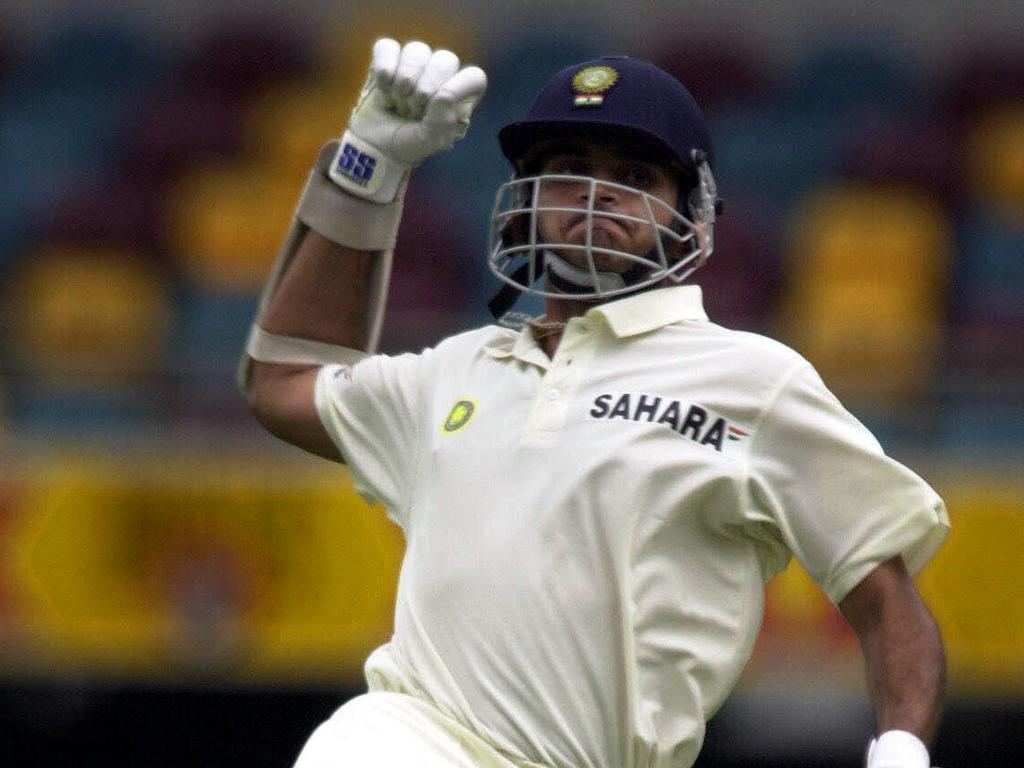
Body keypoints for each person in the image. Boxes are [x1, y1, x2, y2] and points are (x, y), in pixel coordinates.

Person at [241, 37, 950, 768]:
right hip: (411, 735)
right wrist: (368, 167)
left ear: (695, 214)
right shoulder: (454, 372)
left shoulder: (755, 382)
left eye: (633, 175)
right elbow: (286, 379)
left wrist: (899, 750)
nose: (594, 193)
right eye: (569, 171)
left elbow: (885, 599)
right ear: (525, 203)